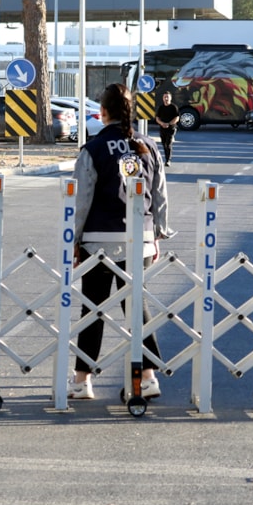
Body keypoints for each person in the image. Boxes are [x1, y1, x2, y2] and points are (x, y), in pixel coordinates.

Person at [69, 83, 175, 400]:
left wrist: (74, 240)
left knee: (93, 309)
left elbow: (82, 201)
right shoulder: (148, 146)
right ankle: (147, 376)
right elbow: (160, 195)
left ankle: (82, 380)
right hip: (139, 238)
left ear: (102, 113)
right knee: (135, 305)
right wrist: (158, 234)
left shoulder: (93, 149)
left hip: (99, 239)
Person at [153, 90, 179, 166]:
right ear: (163, 98)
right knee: (164, 145)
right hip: (162, 128)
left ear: (170, 98)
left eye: (167, 97)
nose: (166, 98)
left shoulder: (174, 107)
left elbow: (177, 118)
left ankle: (168, 160)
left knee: (168, 144)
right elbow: (157, 118)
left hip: (171, 129)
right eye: (165, 97)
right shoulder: (161, 107)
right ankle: (166, 157)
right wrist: (162, 124)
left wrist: (169, 124)